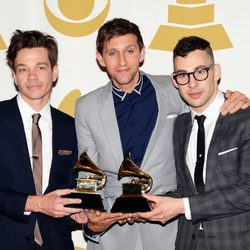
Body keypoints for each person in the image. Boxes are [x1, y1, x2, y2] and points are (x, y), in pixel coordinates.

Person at [74, 18, 249, 250]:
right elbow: (89, 173)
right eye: (112, 53)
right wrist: (92, 215)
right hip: (113, 232)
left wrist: (234, 97)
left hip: (169, 230)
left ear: (142, 53)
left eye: (129, 50)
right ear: (100, 59)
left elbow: (205, 96)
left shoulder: (175, 87)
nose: (123, 61)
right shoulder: (86, 106)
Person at [136, 36, 250, 250]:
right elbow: (188, 189)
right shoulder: (179, 125)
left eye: (200, 72)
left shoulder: (244, 118)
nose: (192, 83)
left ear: (216, 72)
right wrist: (156, 202)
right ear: (174, 80)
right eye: (182, 75)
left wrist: (182, 206)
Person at [0, 30, 84, 250]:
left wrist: (78, 212)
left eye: (40, 67)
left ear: (54, 72)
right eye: (23, 69)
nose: (32, 77)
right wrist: (36, 203)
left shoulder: (71, 126)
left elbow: (71, 188)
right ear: (14, 76)